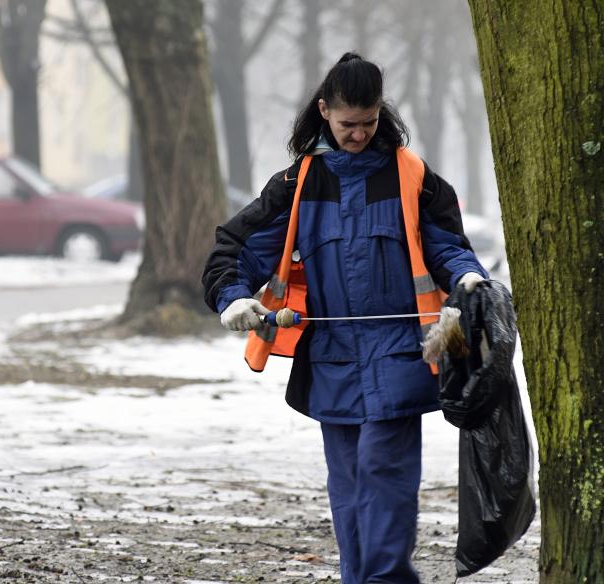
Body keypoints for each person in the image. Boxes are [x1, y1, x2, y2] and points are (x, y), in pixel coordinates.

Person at [201, 52, 488, 584]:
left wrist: (469, 277)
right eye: (347, 124)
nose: (359, 134)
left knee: (384, 472)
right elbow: (238, 247)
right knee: (350, 480)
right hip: (331, 356)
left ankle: (384, 580)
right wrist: (231, 297)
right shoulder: (297, 183)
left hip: (402, 351)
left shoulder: (413, 177)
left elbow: (448, 245)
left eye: (370, 122)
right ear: (324, 112)